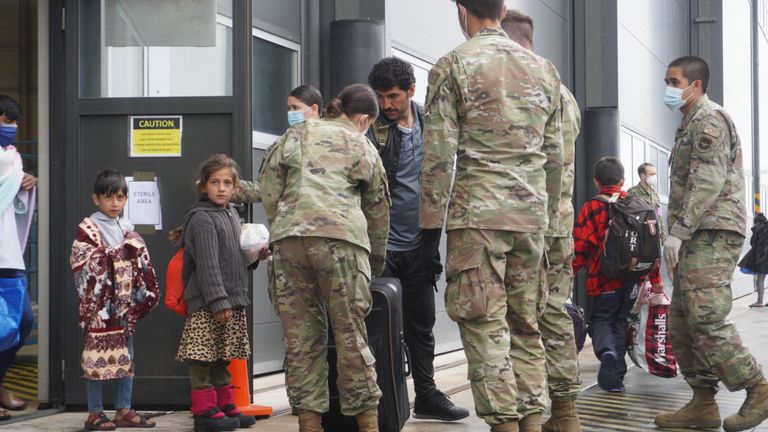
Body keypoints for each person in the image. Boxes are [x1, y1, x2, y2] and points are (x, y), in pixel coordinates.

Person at [418, 1, 564, 430]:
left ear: (461, 10)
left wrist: (429, 232)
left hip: (477, 218)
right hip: (531, 219)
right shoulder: (544, 69)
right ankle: (533, 424)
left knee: (484, 327)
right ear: (502, 9)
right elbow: (556, 157)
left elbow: (439, 155)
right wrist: (549, 219)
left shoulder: (453, 65)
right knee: (525, 326)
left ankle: (502, 424)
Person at [259, 84, 390, 432]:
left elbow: (269, 189)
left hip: (290, 243)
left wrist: (286, 225)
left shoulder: (296, 133)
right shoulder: (361, 143)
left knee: (301, 340)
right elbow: (378, 210)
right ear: (363, 118)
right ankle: (367, 424)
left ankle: (309, 423)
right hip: (343, 244)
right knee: (351, 335)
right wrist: (374, 263)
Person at [655, 55, 768, 432]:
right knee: (683, 319)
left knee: (705, 315)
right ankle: (702, 401)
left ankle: (758, 388)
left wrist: (678, 231)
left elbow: (707, 181)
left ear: (695, 85)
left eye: (674, 81)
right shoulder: (688, 123)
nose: (668, 89)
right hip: (696, 233)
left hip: (712, 230)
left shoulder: (708, 119)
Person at [365, 56, 469, 422]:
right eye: (380, 97)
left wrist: (431, 246)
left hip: (420, 246)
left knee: (422, 327)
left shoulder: (433, 124)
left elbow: (442, 185)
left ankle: (426, 395)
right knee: (377, 330)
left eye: (393, 96)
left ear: (411, 90)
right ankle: (381, 403)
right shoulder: (371, 129)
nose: (386, 105)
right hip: (379, 250)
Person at [501, 10, 582, 432]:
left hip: (529, 220)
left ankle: (525, 411)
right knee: (555, 315)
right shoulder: (564, 92)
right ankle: (566, 412)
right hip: (560, 223)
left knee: (521, 321)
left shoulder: (524, 84)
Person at [70, 169, 160, 430]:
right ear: (96, 199)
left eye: (120, 197)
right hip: (99, 308)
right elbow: (82, 260)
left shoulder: (127, 227)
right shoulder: (88, 228)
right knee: (96, 354)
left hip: (123, 306)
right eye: (109, 198)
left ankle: (123, 408)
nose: (115, 204)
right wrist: (117, 255)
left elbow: (140, 260)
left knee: (127, 357)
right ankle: (95, 412)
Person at [173, 155, 256, 432]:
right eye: (215, 182)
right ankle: (204, 412)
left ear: (235, 187)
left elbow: (234, 257)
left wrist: (255, 256)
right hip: (209, 303)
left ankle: (224, 404)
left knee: (223, 354)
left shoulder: (232, 213)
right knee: (202, 357)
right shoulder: (202, 219)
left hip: (231, 300)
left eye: (227, 183)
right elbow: (208, 265)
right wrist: (219, 302)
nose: (221, 188)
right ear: (203, 187)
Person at [572, 157, 663, 396]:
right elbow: (652, 247)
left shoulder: (591, 206)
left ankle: (607, 353)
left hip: (602, 279)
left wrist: (569, 273)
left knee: (601, 321)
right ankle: (616, 379)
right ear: (623, 180)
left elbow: (579, 247)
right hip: (632, 279)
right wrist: (656, 282)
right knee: (620, 323)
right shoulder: (639, 204)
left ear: (596, 181)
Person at [0, 95, 37, 421]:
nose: (9, 128)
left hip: (9, 256)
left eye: (12, 122)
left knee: (22, 322)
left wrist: (26, 185)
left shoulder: (13, 161)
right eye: (5, 121)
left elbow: (17, 205)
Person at [627, 163, 667, 242]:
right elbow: (628, 219)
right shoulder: (632, 193)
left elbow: (660, 215)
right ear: (642, 176)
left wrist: (663, 236)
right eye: (652, 174)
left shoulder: (655, 195)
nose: (655, 177)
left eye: (655, 174)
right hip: (640, 240)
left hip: (656, 240)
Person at [739, 213, 768, 307]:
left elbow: (753, 244)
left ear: (757, 222)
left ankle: (760, 302)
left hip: (762, 258)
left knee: (760, 279)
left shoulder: (758, 229)